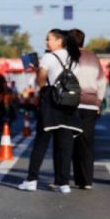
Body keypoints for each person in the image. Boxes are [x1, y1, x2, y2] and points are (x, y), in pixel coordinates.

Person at [18, 29, 82, 194]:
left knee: (41, 142)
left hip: (51, 103)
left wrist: (37, 70)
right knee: (65, 145)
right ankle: (63, 183)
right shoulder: (74, 57)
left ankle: (31, 180)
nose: (46, 42)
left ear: (59, 41)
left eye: (49, 39)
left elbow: (41, 82)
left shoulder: (48, 57)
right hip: (69, 104)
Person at [69, 29, 106, 190]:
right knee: (87, 142)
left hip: (72, 104)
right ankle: (87, 180)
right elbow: (102, 81)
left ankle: (68, 178)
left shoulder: (69, 57)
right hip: (91, 105)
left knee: (70, 141)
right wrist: (99, 101)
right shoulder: (93, 57)